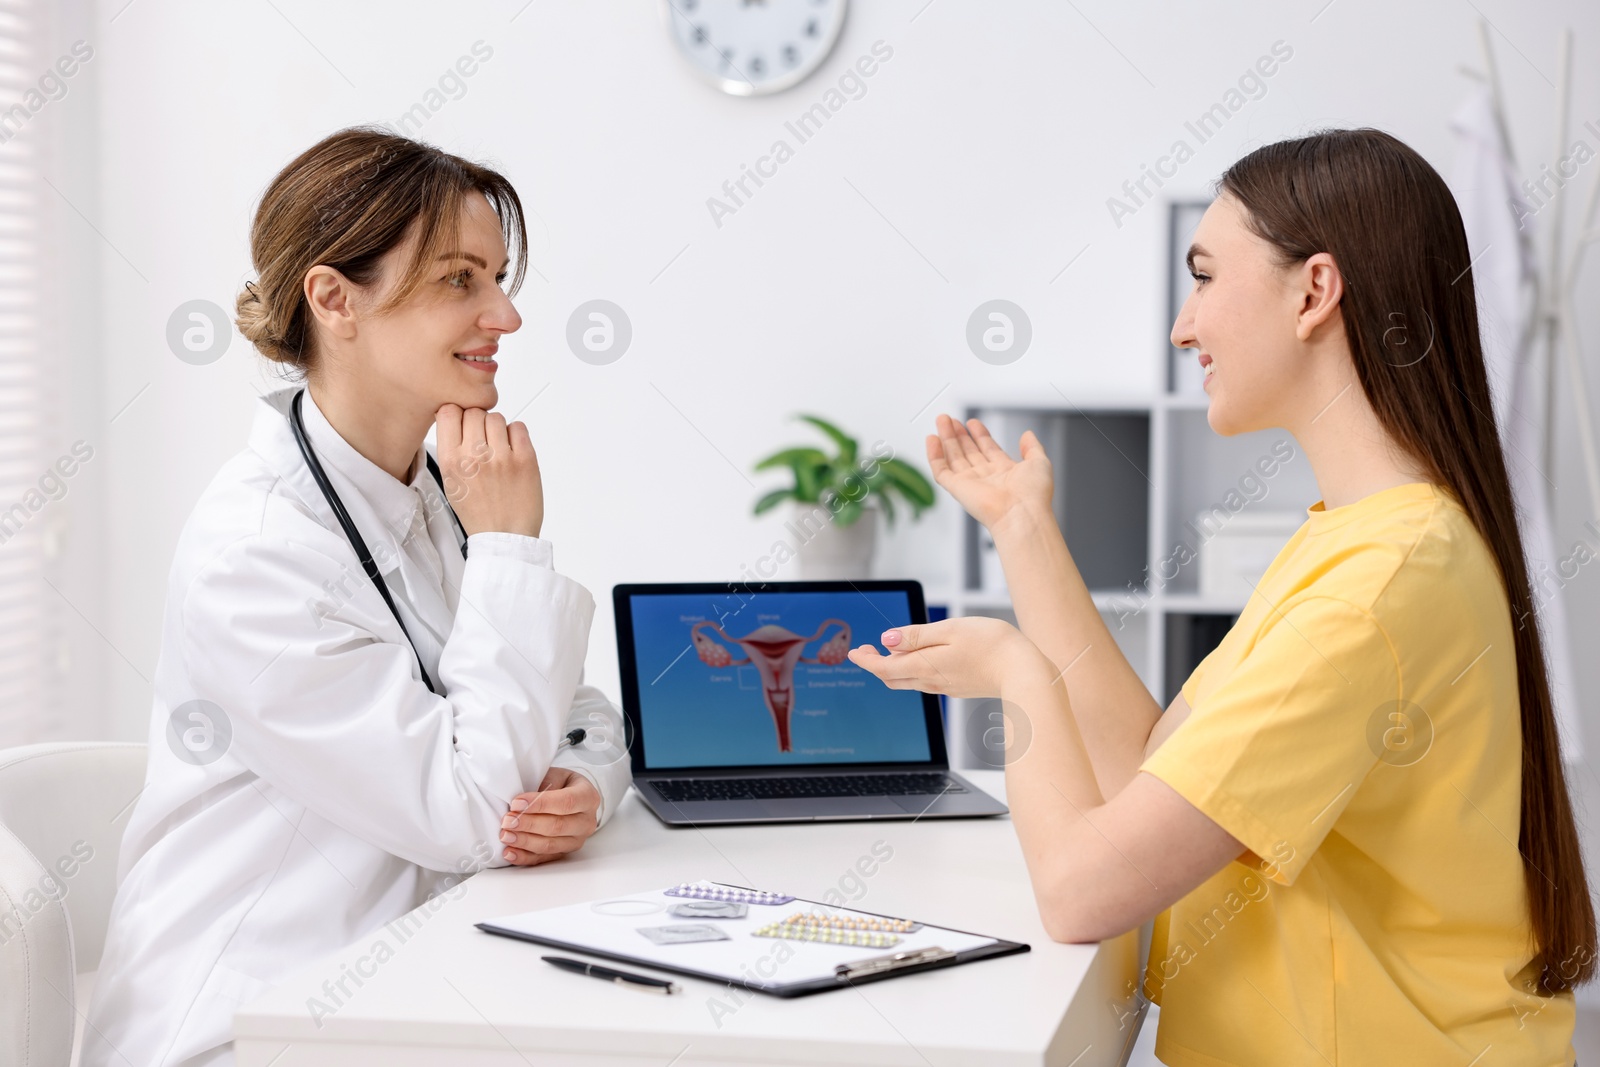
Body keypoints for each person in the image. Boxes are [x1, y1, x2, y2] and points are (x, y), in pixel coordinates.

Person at [849, 128, 1595, 1065]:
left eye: (1204, 277)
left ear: (1314, 292)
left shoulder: (1378, 584)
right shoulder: (1360, 538)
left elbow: (1083, 890)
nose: (1182, 325)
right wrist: (1024, 529)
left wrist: (1015, 674)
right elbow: (1152, 770)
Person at [82, 127, 631, 1067]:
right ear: (335, 300)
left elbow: (568, 710)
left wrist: (587, 785)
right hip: (252, 1025)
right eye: (462, 280)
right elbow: (470, 813)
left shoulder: (425, 492)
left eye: (501, 279)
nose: (505, 317)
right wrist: (508, 547)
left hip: (410, 983)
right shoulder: (254, 555)